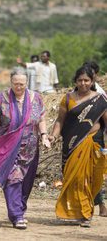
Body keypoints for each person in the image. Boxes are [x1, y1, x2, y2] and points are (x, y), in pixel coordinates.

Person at [0, 67, 50, 229]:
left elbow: (41, 119)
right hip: (7, 147)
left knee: (27, 181)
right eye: (16, 84)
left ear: (26, 83)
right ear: (11, 82)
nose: (19, 87)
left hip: (30, 148)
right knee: (13, 179)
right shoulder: (2, 98)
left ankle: (20, 210)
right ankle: (16, 215)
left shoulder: (35, 98)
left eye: (22, 84)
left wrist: (44, 135)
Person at [49, 66, 107, 228]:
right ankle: (78, 212)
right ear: (75, 81)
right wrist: (53, 135)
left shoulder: (100, 100)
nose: (83, 83)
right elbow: (60, 120)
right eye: (80, 80)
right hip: (72, 144)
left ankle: (86, 214)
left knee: (88, 180)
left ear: (92, 81)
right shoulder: (67, 99)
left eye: (86, 80)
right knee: (74, 179)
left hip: (93, 143)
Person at [83, 61, 107, 217]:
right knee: (80, 173)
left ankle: (100, 204)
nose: (85, 81)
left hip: (96, 138)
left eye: (90, 75)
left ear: (95, 76)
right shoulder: (74, 93)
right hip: (77, 139)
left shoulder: (100, 94)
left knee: (95, 172)